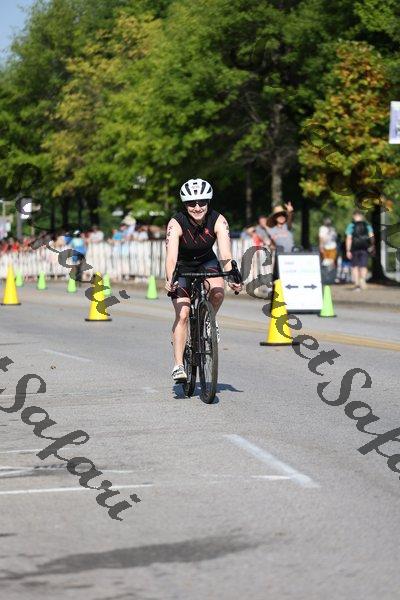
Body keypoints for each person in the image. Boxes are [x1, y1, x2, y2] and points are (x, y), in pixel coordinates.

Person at [165, 178, 242, 383]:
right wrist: (170, 278)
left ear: (209, 202)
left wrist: (232, 275)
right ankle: (179, 365)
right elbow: (171, 257)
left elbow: (225, 254)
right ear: (185, 204)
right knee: (183, 314)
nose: (197, 207)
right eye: (192, 203)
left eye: (202, 202)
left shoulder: (218, 220)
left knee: (217, 292)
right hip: (182, 266)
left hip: (207, 261)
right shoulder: (176, 223)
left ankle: (208, 320)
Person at [345, 210, 375, 290]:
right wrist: (372, 246)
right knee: (363, 265)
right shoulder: (367, 225)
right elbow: (371, 236)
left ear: (354, 216)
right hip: (365, 248)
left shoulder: (351, 225)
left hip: (354, 248)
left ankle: (356, 282)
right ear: (361, 216)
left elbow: (349, 238)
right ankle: (363, 280)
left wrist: (348, 250)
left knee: (354, 266)